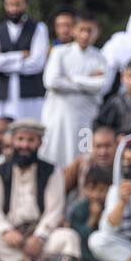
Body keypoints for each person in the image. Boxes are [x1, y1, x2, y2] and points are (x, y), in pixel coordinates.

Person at [0, 120, 81, 261]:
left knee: (69, 237)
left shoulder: (52, 172)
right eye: (20, 139)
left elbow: (54, 211)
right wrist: (6, 231)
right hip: (9, 236)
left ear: (40, 143)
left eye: (31, 140)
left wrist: (39, 237)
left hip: (39, 235)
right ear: (13, 141)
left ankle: (6, 260)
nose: (25, 145)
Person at [38, 12, 106, 170]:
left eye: (90, 30)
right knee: (51, 155)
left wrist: (72, 78)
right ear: (74, 30)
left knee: (83, 159)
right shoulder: (59, 52)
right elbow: (51, 82)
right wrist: (86, 81)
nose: (85, 35)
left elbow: (100, 85)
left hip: (85, 119)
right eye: (82, 29)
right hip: (57, 118)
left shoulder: (99, 57)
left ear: (97, 32)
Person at [0, 0, 49, 137]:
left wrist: (3, 59)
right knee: (0, 135)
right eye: (9, 5)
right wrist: (20, 56)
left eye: (17, 4)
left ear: (26, 4)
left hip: (30, 96)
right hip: (1, 95)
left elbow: (36, 64)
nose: (13, 9)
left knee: (29, 133)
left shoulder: (39, 28)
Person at [67, 164, 113, 261]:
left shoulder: (111, 208)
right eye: (92, 189)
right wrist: (92, 219)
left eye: (102, 190)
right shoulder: (79, 209)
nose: (96, 195)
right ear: (85, 189)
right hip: (85, 254)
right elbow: (79, 236)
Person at [62, 122, 117, 199]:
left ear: (116, 145)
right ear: (92, 147)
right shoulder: (82, 163)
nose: (103, 152)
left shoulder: (123, 165)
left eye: (107, 146)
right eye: (98, 146)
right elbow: (60, 188)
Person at [95, 58, 131, 138]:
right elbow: (101, 125)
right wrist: (115, 136)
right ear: (122, 77)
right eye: (130, 76)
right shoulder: (114, 101)